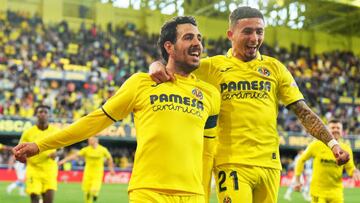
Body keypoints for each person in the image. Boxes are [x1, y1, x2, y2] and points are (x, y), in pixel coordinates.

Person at [149, 6, 350, 203]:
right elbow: (173, 67)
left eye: (259, 32)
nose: (254, 38)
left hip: (270, 163)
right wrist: (156, 64)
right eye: (247, 32)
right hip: (231, 163)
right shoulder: (211, 66)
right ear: (231, 34)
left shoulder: (275, 68)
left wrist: (333, 144)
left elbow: (303, 112)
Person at [13, 16, 220, 203]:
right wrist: (41, 145)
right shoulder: (141, 83)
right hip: (149, 192)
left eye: (199, 38)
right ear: (169, 47)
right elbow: (94, 122)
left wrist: (203, 195)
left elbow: (208, 152)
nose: (197, 44)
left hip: (193, 195)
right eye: (189, 37)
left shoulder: (210, 94)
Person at [295, 119, 360, 203]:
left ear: (342, 131)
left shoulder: (346, 148)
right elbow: (301, 160)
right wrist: (297, 180)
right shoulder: (316, 145)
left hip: (336, 192)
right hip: (318, 192)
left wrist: (354, 171)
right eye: (333, 127)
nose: (335, 129)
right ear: (327, 131)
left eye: (338, 128)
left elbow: (350, 167)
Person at [19, 105, 59, 203]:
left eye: (45, 112)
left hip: (49, 169)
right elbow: (21, 149)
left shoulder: (55, 131)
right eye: (40, 112)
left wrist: (57, 153)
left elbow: (62, 149)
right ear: (36, 115)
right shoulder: (28, 132)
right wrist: (23, 155)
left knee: (48, 200)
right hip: (33, 169)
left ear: (49, 115)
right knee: (34, 198)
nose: (43, 114)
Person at [58, 137, 115, 203]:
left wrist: (111, 169)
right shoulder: (86, 149)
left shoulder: (103, 149)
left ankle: (95, 194)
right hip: (88, 172)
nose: (89, 141)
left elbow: (109, 158)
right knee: (86, 190)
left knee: (94, 189)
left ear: (96, 140)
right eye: (88, 140)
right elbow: (75, 155)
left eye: (91, 140)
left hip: (98, 172)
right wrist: (64, 160)